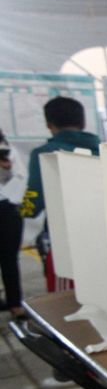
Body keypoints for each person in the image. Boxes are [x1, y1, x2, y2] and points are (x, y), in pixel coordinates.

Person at [20, 97, 101, 292]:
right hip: (104, 236)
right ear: (83, 123)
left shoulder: (46, 153)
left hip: (66, 241)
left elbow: (33, 202)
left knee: (66, 301)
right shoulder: (105, 150)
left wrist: (21, 209)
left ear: (49, 124)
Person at [0, 130, 26, 318]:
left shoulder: (9, 151)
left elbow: (21, 177)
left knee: (9, 258)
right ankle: (13, 304)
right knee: (9, 259)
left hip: (9, 208)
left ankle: (15, 303)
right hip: (10, 208)